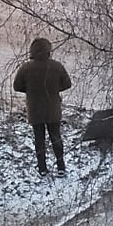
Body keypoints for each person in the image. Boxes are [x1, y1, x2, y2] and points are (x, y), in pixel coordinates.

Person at [13, 37, 72, 176]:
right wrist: (54, 89)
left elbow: (17, 86)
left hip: (35, 109)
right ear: (48, 50)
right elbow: (68, 84)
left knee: (39, 139)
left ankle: (42, 168)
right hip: (53, 108)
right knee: (56, 137)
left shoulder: (26, 67)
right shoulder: (57, 66)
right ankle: (61, 167)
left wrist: (30, 91)